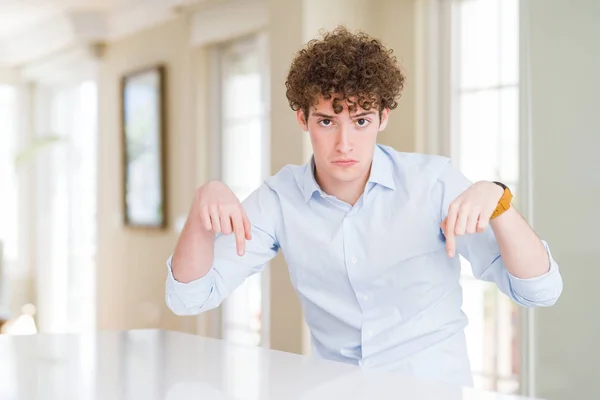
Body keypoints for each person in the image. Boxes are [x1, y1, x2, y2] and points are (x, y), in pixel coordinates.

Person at [165, 26, 563, 387]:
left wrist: (499, 200)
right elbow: (189, 298)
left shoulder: (433, 183)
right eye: (326, 122)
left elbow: (540, 290)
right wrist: (204, 205)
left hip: (433, 389)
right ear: (302, 118)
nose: (344, 144)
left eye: (360, 121)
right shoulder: (279, 200)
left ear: (383, 117)